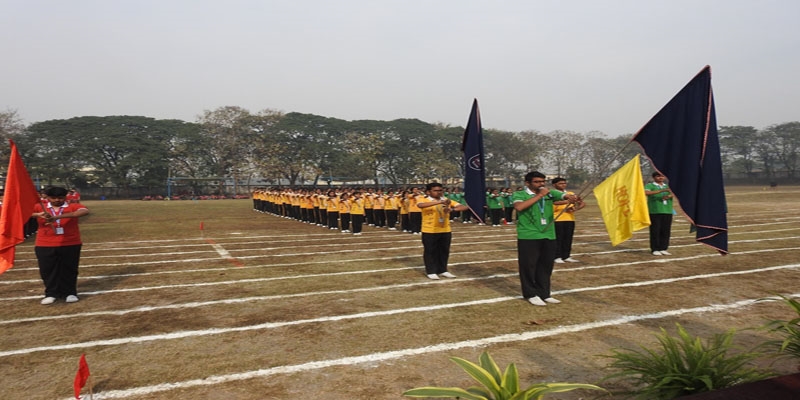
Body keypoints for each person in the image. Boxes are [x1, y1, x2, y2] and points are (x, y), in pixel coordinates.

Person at [512, 171, 577, 306]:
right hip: (529, 235)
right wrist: (540, 195)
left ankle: (544, 293)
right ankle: (531, 293)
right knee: (528, 265)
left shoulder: (550, 193)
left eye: (543, 181)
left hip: (549, 234)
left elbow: (562, 195)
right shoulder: (520, 194)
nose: (541, 184)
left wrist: (570, 197)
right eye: (537, 182)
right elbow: (519, 207)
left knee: (546, 265)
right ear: (527, 183)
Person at [32, 186, 90, 305]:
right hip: (45, 243)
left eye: (60, 197)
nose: (57, 200)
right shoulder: (40, 206)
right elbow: (23, 213)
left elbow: (84, 211)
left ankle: (70, 292)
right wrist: (38, 214)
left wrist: (56, 217)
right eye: (53, 198)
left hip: (70, 242)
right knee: (47, 270)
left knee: (69, 268)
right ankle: (51, 293)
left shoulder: (72, 206)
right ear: (47, 197)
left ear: (65, 197)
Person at [417, 182, 469, 280]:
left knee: (444, 251)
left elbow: (464, 207)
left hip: (445, 229)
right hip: (429, 230)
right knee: (430, 251)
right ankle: (431, 271)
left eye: (440, 190)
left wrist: (452, 210)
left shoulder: (446, 200)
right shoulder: (424, 199)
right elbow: (421, 205)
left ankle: (443, 270)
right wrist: (439, 202)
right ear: (428, 192)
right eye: (435, 190)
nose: (438, 192)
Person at [551, 177, 585, 263]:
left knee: (568, 238)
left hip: (569, 219)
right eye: (560, 183)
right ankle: (557, 256)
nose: (563, 185)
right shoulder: (552, 194)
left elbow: (582, 203)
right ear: (554, 185)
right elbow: (553, 203)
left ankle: (566, 256)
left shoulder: (570, 194)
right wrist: (567, 202)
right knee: (558, 238)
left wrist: (575, 209)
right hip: (557, 219)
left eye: (564, 183)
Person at [645, 172, 674, 256]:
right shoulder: (650, 185)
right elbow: (646, 193)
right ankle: (655, 249)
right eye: (658, 176)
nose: (661, 178)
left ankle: (663, 248)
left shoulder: (667, 186)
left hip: (667, 211)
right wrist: (662, 191)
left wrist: (669, 196)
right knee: (655, 230)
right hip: (655, 211)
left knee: (666, 231)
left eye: (662, 176)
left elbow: (676, 193)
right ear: (654, 177)